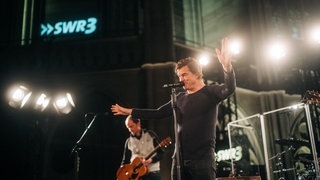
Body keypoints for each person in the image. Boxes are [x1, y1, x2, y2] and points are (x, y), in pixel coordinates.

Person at [111, 37, 236, 180]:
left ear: (196, 74)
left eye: (184, 75)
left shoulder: (210, 92)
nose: (181, 79)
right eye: (179, 76)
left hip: (202, 161)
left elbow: (229, 88)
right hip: (179, 160)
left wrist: (227, 68)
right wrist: (128, 111)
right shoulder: (180, 98)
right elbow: (158, 113)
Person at [117, 115, 164, 180]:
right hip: (136, 177)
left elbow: (161, 153)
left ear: (138, 123)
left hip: (153, 174)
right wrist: (123, 175)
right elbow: (125, 161)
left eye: (131, 126)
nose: (130, 130)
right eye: (128, 128)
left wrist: (151, 160)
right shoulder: (128, 141)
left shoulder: (151, 135)